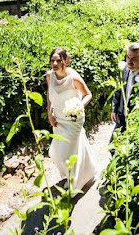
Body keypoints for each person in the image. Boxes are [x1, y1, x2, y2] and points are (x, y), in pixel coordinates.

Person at [46, 47, 96, 190]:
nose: (55, 64)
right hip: (59, 119)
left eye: (58, 61)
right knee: (57, 152)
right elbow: (49, 96)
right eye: (52, 61)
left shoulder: (73, 77)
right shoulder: (50, 76)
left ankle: (75, 184)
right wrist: (50, 114)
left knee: (67, 153)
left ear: (65, 61)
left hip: (74, 119)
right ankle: (87, 171)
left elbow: (88, 95)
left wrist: (79, 106)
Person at [111, 43, 139, 135]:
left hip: (137, 121)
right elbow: (118, 91)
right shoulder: (124, 69)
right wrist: (114, 109)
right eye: (128, 57)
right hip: (121, 115)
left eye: (134, 59)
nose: (129, 62)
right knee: (113, 146)